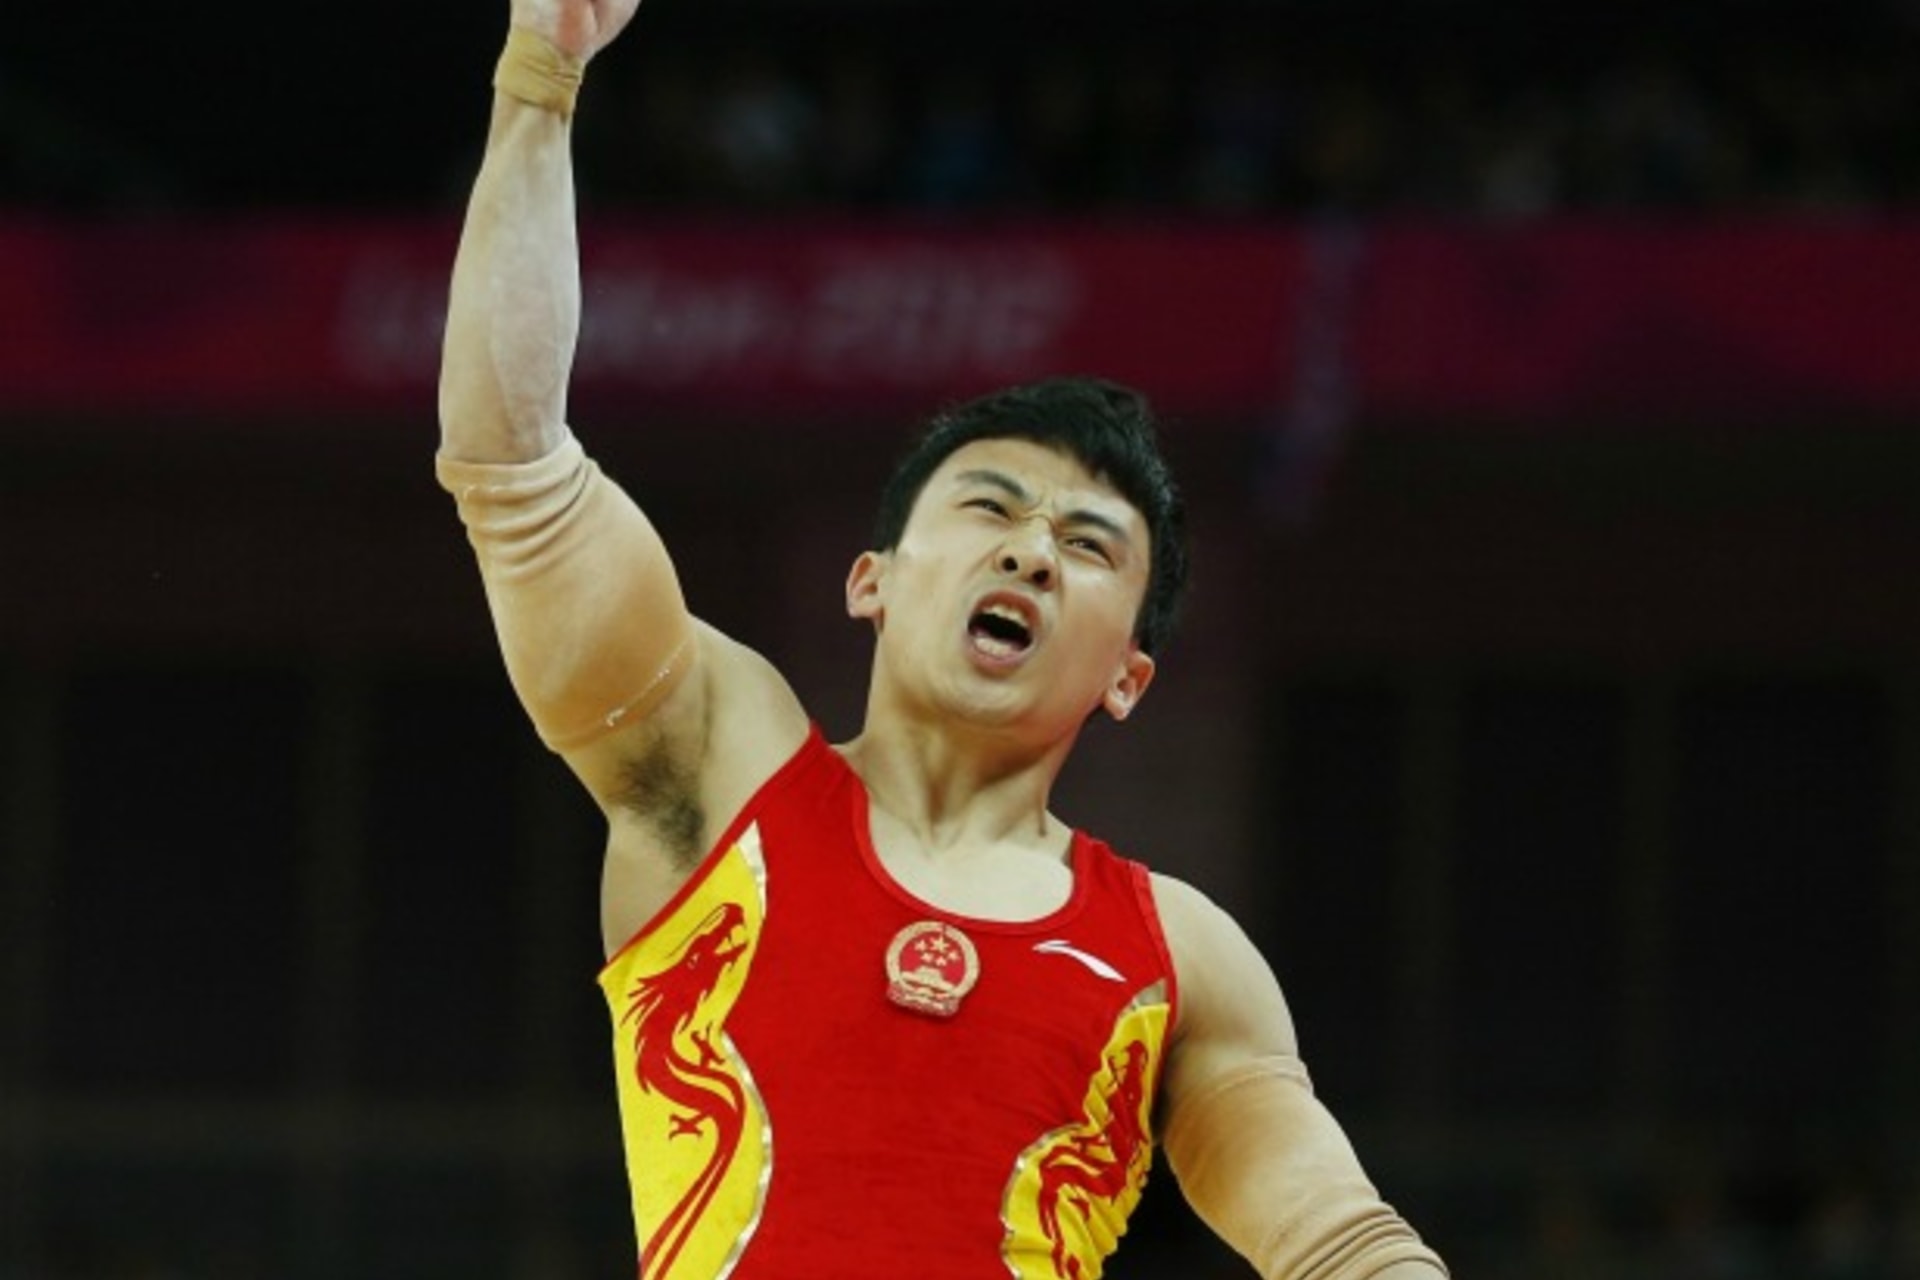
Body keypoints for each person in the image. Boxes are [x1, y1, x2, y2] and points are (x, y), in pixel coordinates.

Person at [436, 3, 1450, 1277]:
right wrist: (539, 76)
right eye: (988, 507)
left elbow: (1343, 1242)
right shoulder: (722, 771)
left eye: (1088, 545)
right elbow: (514, 471)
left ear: (1129, 676)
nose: (1032, 551)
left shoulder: (1181, 956)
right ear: (873, 579)